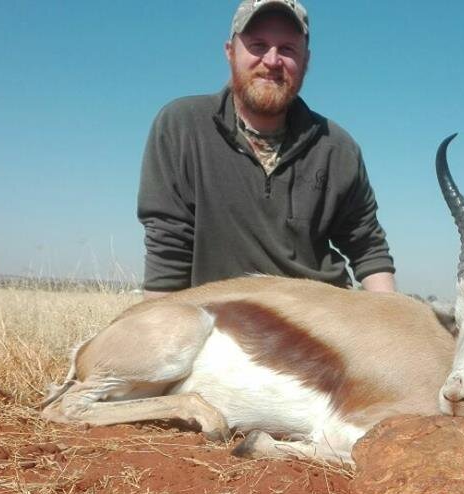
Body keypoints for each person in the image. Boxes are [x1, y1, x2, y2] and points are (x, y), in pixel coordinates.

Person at [137, 0, 395, 298]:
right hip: (223, 322)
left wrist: (392, 321)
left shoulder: (338, 147)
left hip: (319, 321)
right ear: (230, 52)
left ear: (306, 60)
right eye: (258, 45)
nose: (272, 60)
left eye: (287, 49)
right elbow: (168, 250)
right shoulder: (181, 126)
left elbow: (368, 248)